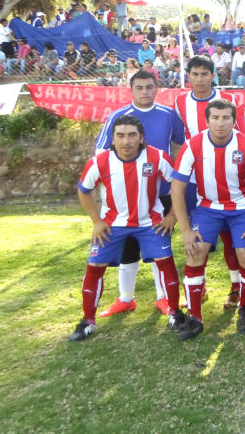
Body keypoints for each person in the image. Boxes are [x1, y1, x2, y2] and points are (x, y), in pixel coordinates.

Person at [70, 115, 183, 341]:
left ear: (141, 138)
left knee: (165, 263)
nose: (126, 141)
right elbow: (84, 190)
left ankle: (175, 312)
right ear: (112, 139)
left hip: (150, 223)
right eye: (120, 136)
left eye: (132, 135)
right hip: (111, 225)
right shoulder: (99, 162)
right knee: (94, 266)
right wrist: (96, 221)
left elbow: (179, 184)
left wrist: (172, 215)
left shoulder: (157, 156)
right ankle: (87, 321)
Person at [94, 70, 186, 317]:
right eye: (140, 88)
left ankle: (163, 298)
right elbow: (100, 155)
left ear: (157, 88)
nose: (145, 92)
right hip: (126, 195)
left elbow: (183, 143)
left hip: (161, 193)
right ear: (131, 89)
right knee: (127, 247)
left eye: (149, 87)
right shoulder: (118, 116)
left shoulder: (168, 115)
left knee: (159, 247)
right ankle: (126, 298)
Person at [170, 100, 245, 340]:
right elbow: (177, 189)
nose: (221, 123)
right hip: (208, 208)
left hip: (242, 207)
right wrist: (186, 230)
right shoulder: (193, 145)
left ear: (234, 120)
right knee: (195, 250)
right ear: (207, 120)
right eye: (216, 118)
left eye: (226, 118)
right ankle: (195, 318)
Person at [173, 56, 244, 307]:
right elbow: (181, 139)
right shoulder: (180, 101)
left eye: (205, 74)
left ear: (213, 75)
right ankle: (197, 287)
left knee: (228, 235)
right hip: (194, 179)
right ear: (188, 76)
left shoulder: (228, 100)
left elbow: (239, 134)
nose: (200, 79)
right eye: (195, 74)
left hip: (224, 174)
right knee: (195, 235)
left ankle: (237, 287)